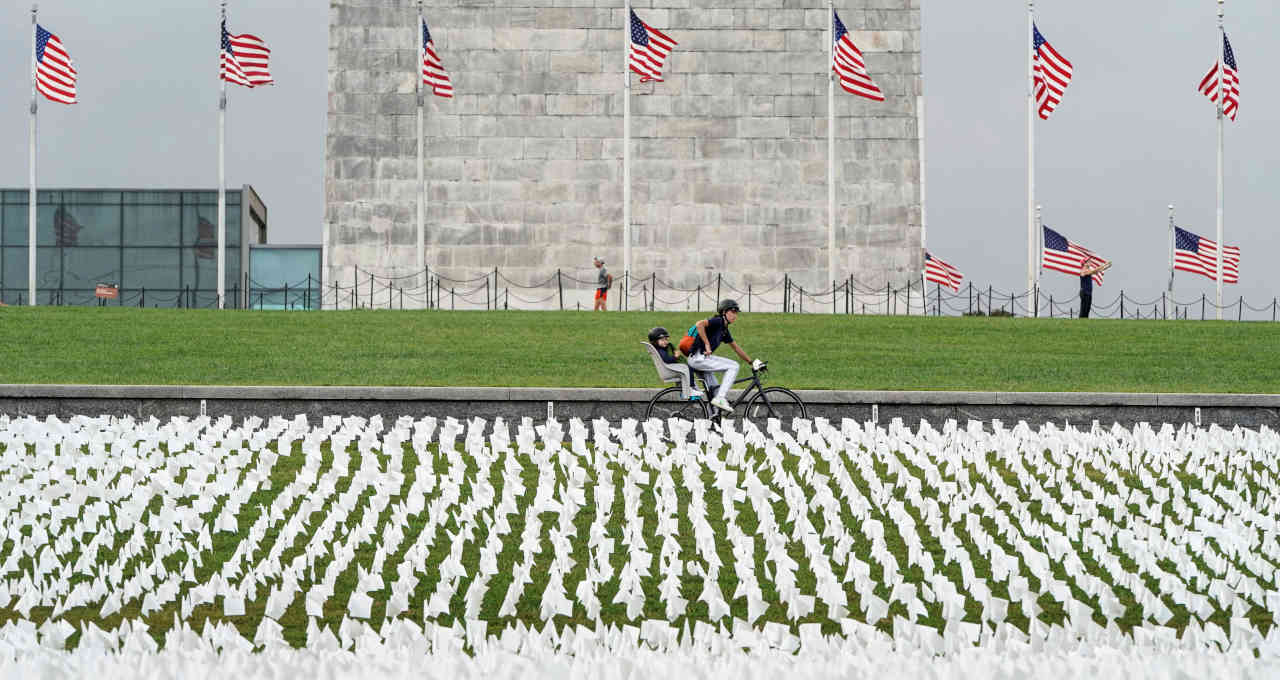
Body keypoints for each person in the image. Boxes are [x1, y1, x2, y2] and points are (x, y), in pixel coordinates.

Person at [686, 299, 765, 413]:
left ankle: (712, 420)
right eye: (732, 312)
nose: (735, 315)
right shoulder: (718, 321)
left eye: (736, 312)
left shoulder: (724, 330)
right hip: (698, 358)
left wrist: (751, 362)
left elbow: (736, 348)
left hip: (702, 360)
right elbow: (699, 324)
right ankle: (720, 398)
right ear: (724, 312)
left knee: (716, 391)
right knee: (734, 366)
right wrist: (707, 344)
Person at [648, 327, 704, 400]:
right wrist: (675, 357)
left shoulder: (662, 348)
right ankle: (690, 389)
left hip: (670, 368)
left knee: (688, 369)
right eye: (662, 340)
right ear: (655, 341)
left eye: (666, 339)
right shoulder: (660, 350)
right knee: (688, 368)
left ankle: (687, 390)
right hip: (669, 369)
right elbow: (667, 359)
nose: (665, 341)